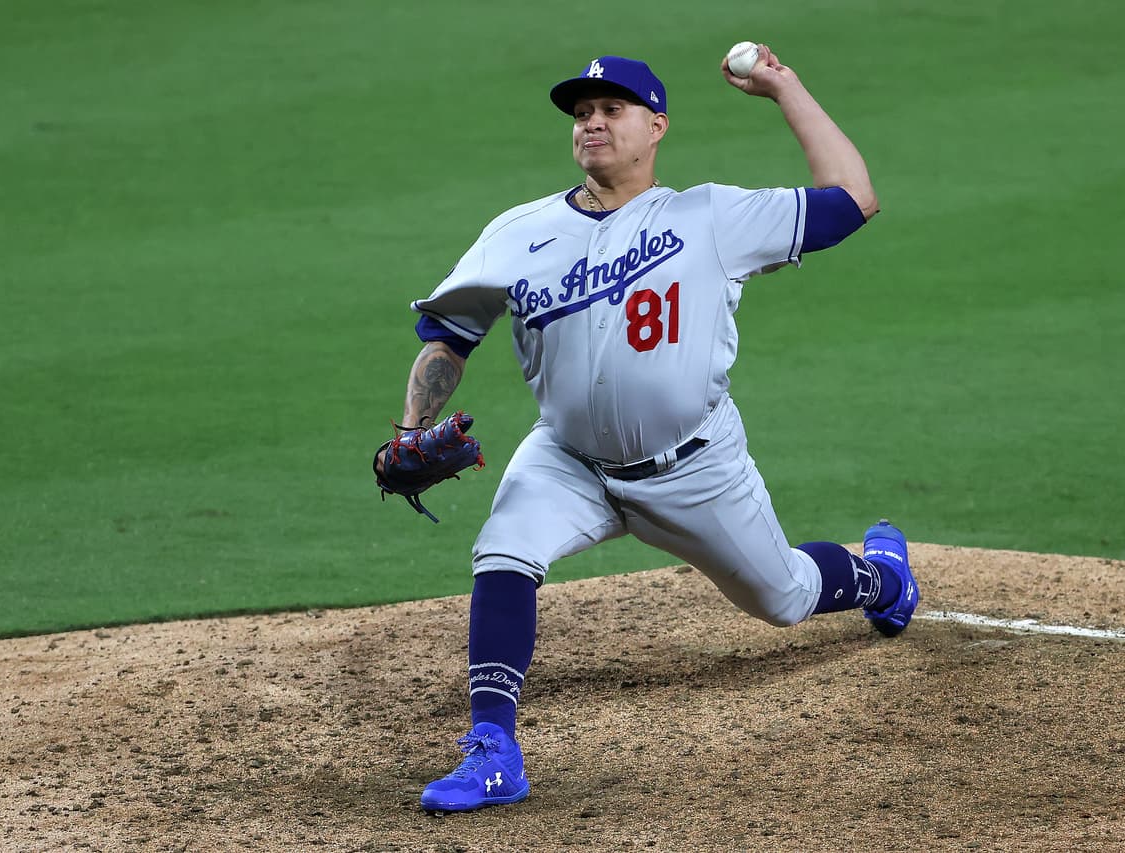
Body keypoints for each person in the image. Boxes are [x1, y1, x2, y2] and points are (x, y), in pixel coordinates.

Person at [388, 47, 919, 813]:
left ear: (656, 125)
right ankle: (494, 749)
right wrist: (411, 429)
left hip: (696, 467)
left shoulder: (710, 216)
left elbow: (852, 199)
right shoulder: (518, 231)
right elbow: (447, 335)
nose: (591, 122)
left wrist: (783, 85)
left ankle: (882, 579)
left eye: (611, 109)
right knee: (503, 547)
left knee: (785, 596)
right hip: (567, 460)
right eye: (581, 112)